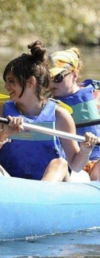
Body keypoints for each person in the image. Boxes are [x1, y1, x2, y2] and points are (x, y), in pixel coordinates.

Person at [0, 40, 99, 182]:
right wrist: (4, 134)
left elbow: (75, 166)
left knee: (60, 163)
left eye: (11, 81)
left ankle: (37, 198)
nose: (6, 86)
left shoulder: (60, 115)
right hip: (14, 183)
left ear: (31, 82)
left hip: (51, 185)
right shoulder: (2, 111)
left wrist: (86, 149)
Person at [48, 47, 100, 180]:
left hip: (97, 160)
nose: (51, 83)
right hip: (71, 163)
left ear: (75, 75)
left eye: (58, 77)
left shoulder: (95, 95)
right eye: (47, 78)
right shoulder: (47, 105)